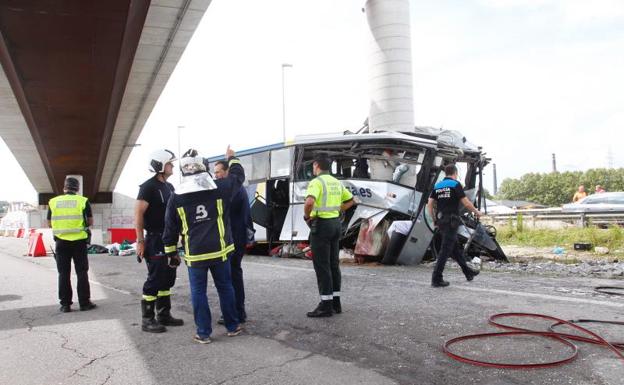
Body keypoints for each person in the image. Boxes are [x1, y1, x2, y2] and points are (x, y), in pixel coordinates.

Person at [163, 147, 244, 344]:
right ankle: (232, 326)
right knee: (225, 287)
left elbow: (170, 227)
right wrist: (231, 158)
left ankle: (203, 332)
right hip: (219, 250)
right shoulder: (219, 187)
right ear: (204, 167)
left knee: (198, 292)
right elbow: (238, 175)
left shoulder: (177, 195)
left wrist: (171, 252)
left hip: (195, 254)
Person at [135, 149, 184, 333]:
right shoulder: (148, 187)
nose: (172, 166)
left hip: (169, 238)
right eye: (170, 163)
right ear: (161, 165)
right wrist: (140, 241)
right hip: (155, 239)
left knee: (168, 277)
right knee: (155, 279)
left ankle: (164, 314)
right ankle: (147, 320)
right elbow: (138, 213)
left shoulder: (169, 187)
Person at [303, 153, 355, 317]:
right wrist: (338, 209)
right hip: (335, 225)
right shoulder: (335, 182)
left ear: (317, 166)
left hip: (322, 226)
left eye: (313, 166)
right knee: (333, 264)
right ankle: (336, 303)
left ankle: (326, 305)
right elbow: (351, 200)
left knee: (322, 265)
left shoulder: (316, 182)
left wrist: (307, 217)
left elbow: (309, 202)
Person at [47, 177, 96, 312]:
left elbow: (49, 223)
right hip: (79, 242)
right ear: (77, 189)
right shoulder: (83, 201)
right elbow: (90, 221)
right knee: (81, 272)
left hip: (61, 242)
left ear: (64, 188)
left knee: (63, 273)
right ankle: (84, 303)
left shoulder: (53, 202)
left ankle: (65, 305)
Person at [427, 164, 481, 287]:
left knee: (455, 249)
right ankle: (436, 278)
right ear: (455, 173)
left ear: (446, 173)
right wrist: (477, 212)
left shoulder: (438, 186)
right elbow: (466, 203)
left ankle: (468, 272)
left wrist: (434, 220)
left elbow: (429, 205)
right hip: (451, 221)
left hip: (441, 221)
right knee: (445, 250)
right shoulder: (455, 185)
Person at [214, 160, 254, 324]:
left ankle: (235, 312)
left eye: (217, 172)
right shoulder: (237, 189)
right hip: (238, 236)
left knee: (231, 275)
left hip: (234, 238)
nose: (215, 176)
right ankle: (238, 311)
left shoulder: (232, 190)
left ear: (227, 172)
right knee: (234, 274)